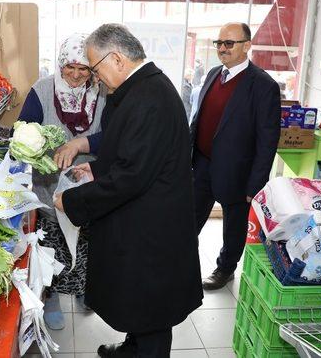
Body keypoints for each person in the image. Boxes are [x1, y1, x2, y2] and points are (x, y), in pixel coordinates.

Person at [54, 24, 202, 358]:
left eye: (95, 68)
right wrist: (95, 166)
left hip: (152, 226)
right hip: (143, 216)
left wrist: (72, 201)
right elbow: (130, 151)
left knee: (152, 309)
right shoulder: (139, 88)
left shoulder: (150, 98)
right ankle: (132, 348)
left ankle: (144, 351)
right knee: (140, 302)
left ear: (117, 59)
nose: (94, 77)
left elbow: (130, 176)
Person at [18, 33, 106, 330]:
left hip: (87, 182)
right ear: (60, 63)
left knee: (84, 239)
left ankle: (83, 290)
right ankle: (51, 292)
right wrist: (43, 148)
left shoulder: (102, 93)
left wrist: (83, 144)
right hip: (48, 184)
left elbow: (111, 135)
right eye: (71, 67)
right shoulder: (42, 90)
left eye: (84, 68)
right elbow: (24, 130)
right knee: (52, 240)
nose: (77, 74)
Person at [189, 22, 280, 290]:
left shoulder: (263, 85)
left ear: (247, 45)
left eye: (229, 43)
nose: (222, 49)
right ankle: (179, 262)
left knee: (233, 227)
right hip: (203, 163)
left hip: (238, 171)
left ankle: (225, 269)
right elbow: (199, 118)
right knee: (188, 219)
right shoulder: (214, 74)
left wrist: (256, 184)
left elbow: (267, 141)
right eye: (219, 43)